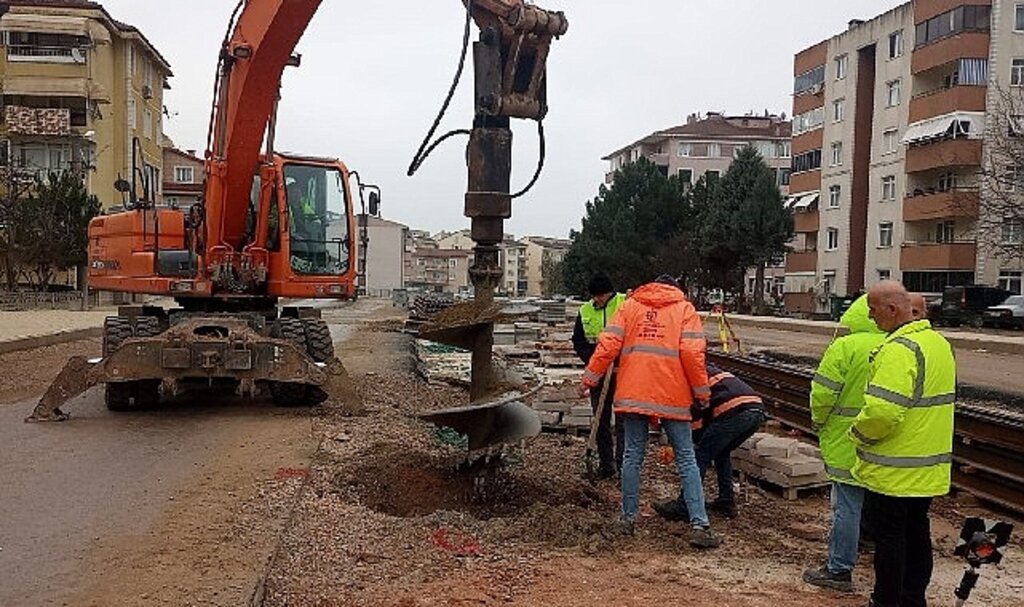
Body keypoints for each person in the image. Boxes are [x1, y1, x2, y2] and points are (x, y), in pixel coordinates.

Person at [579, 274, 720, 548]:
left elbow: (608, 346)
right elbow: (692, 355)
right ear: (675, 289)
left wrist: (588, 380)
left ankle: (627, 519)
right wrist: (702, 393)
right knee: (686, 458)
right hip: (672, 395)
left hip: (634, 392)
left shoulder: (630, 307)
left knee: (632, 454)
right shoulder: (685, 310)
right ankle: (699, 525)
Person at [850, 281, 956, 607]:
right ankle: (913, 599)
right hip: (928, 466)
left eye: (873, 310)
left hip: (895, 469)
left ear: (892, 309)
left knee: (890, 539)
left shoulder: (899, 350)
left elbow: (882, 412)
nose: (871, 316)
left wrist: (858, 434)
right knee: (917, 532)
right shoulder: (938, 344)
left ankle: (885, 601)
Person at [802, 294, 886, 592]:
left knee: (847, 506)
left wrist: (818, 420)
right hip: (885, 441)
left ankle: (839, 568)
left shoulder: (845, 346)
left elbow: (823, 392)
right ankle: (873, 546)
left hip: (846, 438)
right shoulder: (897, 345)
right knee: (881, 501)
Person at [652, 363, 766, 521]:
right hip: (756, 411)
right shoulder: (704, 370)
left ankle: (685, 505)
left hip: (733, 412)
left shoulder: (687, 381)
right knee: (721, 453)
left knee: (701, 456)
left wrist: (680, 445)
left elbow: (697, 420)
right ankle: (726, 502)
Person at [571, 272, 627, 479]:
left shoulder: (625, 303)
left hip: (623, 372)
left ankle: (623, 467)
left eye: (601, 296)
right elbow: (578, 340)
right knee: (600, 419)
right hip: (599, 372)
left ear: (610, 293)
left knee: (623, 422)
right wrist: (593, 359)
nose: (597, 300)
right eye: (595, 296)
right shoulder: (585, 310)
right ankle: (606, 465)